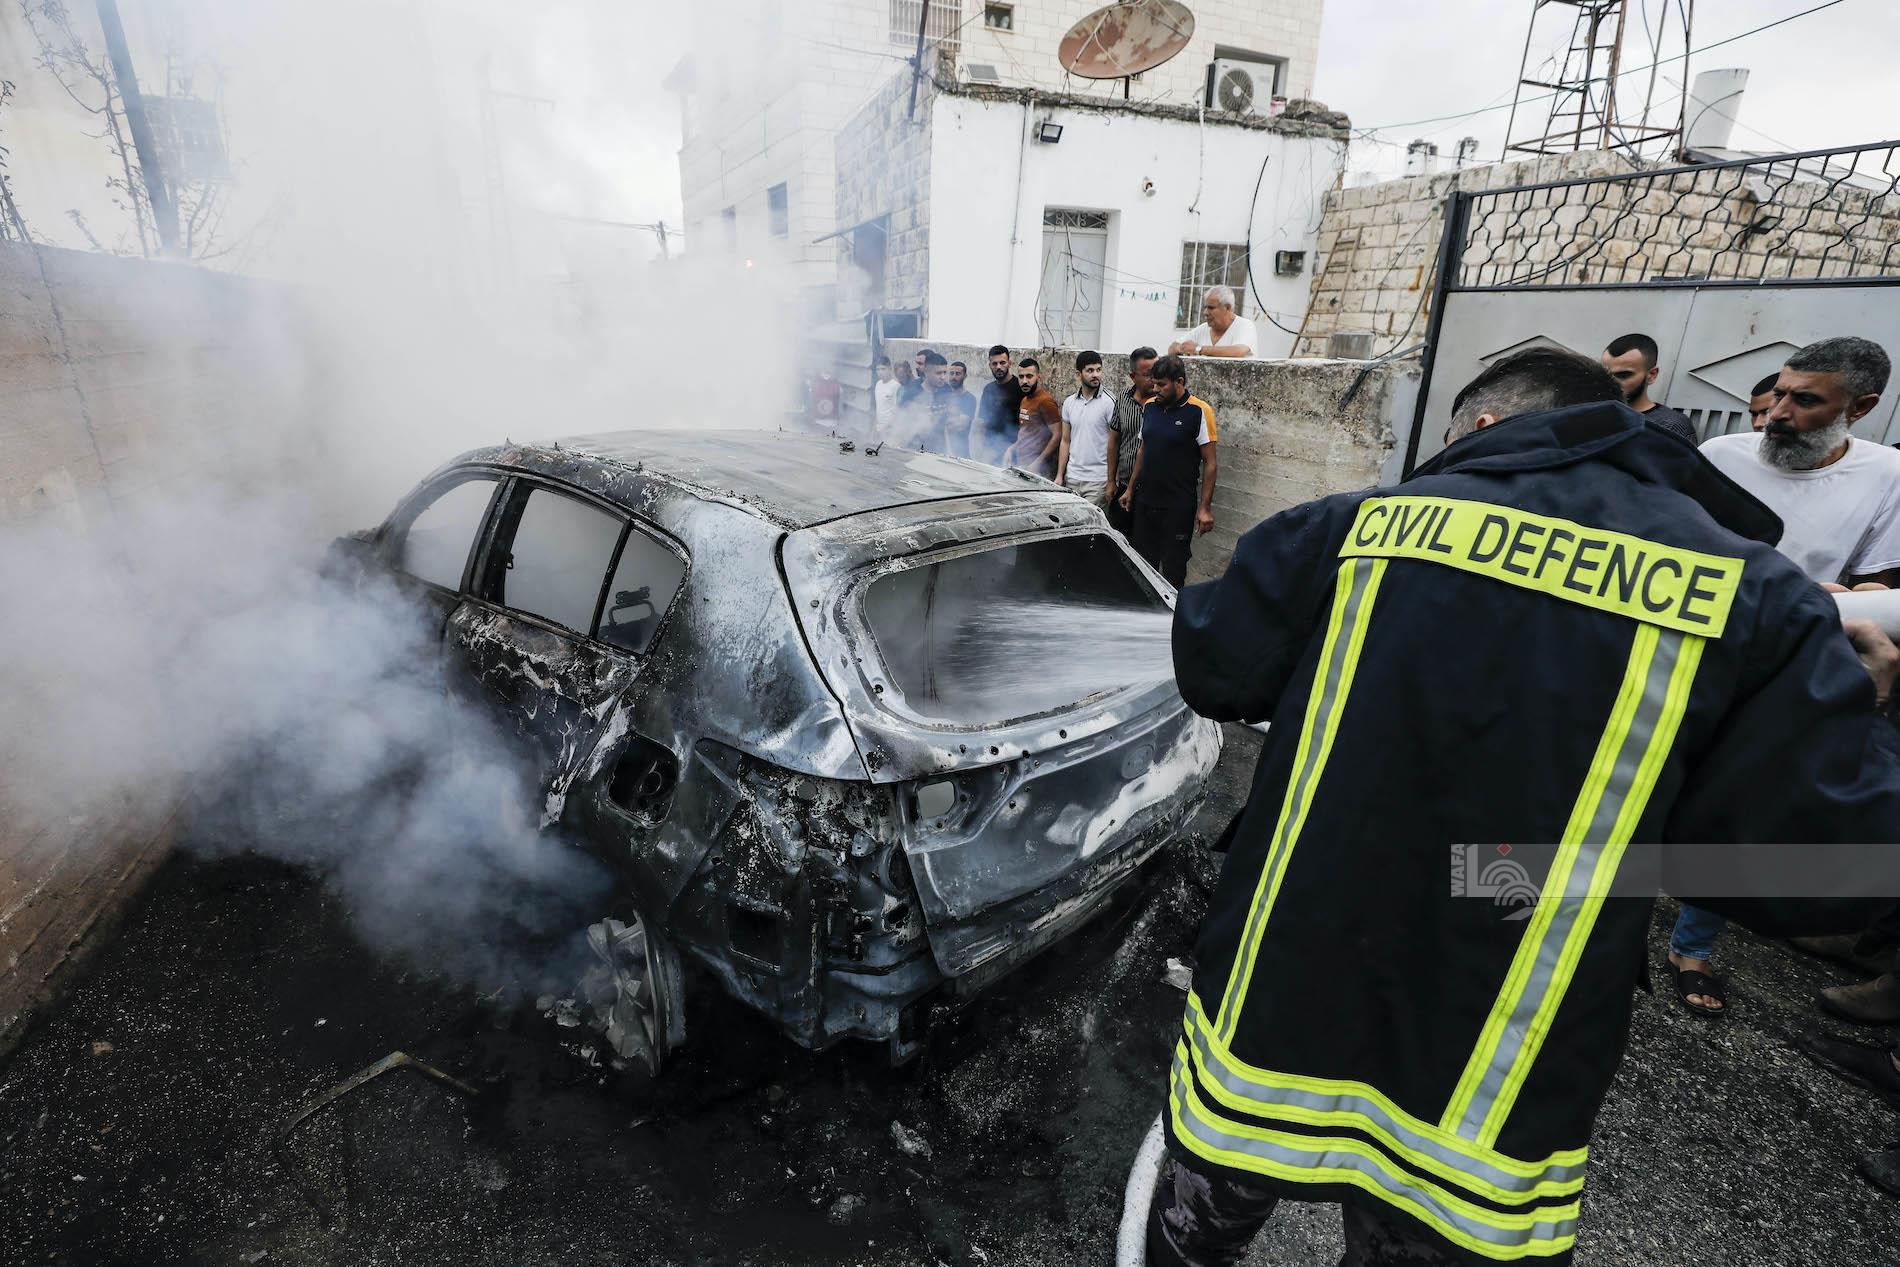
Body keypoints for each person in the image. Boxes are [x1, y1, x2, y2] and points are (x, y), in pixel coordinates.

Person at [1146, 345, 1900, 1266]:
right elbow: (1831, 880)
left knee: (1199, 1223)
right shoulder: (1760, 598)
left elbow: (1214, 669)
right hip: (1492, 1081)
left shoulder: (1354, 527)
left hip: (1277, 1005)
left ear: (1489, 427)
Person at [1675, 336, 1900, 1021]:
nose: (1776, 413)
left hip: (1784, 665)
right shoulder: (1718, 458)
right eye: (1778, 393)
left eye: (1805, 401)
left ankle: (1692, 946)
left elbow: (1879, 583)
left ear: (1859, 408)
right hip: (1689, 648)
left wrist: (1845, 593)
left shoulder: (1887, 477)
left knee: (1732, 805)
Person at [1119, 355, 1216, 587]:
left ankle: (1172, 620)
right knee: (1143, 565)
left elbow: (1211, 463)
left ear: (1179, 382)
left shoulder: (1199, 411)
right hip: (1146, 502)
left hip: (1178, 507)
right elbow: (1143, 450)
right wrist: (1130, 489)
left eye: (1162, 384)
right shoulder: (1150, 407)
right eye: (1154, 383)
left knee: (1173, 570)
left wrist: (1204, 509)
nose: (1156, 389)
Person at [1600, 333, 1696, 442]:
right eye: (1605, 374)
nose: (1612, 382)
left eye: (1623, 375)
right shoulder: (1591, 415)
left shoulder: (1671, 426)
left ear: (1652, 375)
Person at [1057, 350, 1117, 509]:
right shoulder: (1069, 402)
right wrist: (1059, 475)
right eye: (1090, 370)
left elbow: (1116, 443)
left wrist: (1112, 481)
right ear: (1078, 374)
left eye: (1098, 370)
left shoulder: (1109, 402)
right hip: (1072, 478)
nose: (1095, 374)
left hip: (1098, 481)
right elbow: (1065, 440)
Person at [1109, 347, 1158, 536]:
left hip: (1152, 490)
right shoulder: (1122, 399)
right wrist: (1110, 481)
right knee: (1121, 541)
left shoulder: (1163, 402)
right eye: (1147, 374)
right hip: (1123, 485)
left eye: (1156, 371)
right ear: (1133, 376)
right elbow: (1114, 441)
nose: (1154, 379)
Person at [1009, 357, 1063, 479]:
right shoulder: (1025, 399)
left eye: (1029, 376)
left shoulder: (1045, 401)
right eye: (1021, 377)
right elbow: (1026, 431)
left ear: (1038, 377)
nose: (1024, 381)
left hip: (1037, 469)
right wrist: (1012, 448)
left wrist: (1038, 462)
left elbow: (1058, 435)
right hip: (1021, 464)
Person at [1169, 286, 1259, 359]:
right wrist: (1182, 348)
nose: (1205, 312)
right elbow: (1172, 348)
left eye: (1211, 308)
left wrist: (1198, 349)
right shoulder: (1202, 329)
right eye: (1205, 308)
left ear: (1227, 308)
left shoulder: (1245, 326)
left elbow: (1239, 351)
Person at [971, 344, 1023, 466]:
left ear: (1010, 363)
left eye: (1002, 363)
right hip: (990, 450)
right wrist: (980, 448)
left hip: (1012, 452)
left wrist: (1014, 448)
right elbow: (982, 422)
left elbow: (1027, 426)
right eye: (994, 364)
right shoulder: (988, 389)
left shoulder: (1020, 387)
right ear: (990, 365)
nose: (998, 367)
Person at [944, 361, 977, 457]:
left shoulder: (969, 399)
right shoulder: (943, 395)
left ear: (965, 376)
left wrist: (943, 420)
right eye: (951, 373)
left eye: (957, 374)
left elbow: (960, 425)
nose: (954, 377)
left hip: (961, 452)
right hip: (941, 449)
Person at [872, 358, 898, 437]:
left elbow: (897, 411)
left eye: (883, 369)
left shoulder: (895, 386)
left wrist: (886, 428)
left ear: (890, 369)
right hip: (878, 429)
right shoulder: (878, 384)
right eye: (878, 369)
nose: (880, 372)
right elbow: (878, 407)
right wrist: (874, 428)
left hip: (890, 431)